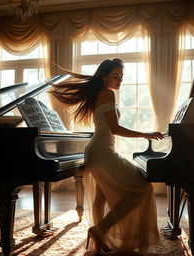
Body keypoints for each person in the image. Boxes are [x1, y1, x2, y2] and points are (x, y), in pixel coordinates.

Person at [51, 58, 163, 256]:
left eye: (121, 77)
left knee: (101, 197)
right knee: (142, 187)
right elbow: (115, 128)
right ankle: (99, 230)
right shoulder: (107, 94)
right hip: (102, 152)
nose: (119, 80)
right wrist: (145, 134)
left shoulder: (100, 94)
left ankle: (98, 243)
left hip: (97, 150)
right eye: (115, 76)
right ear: (104, 77)